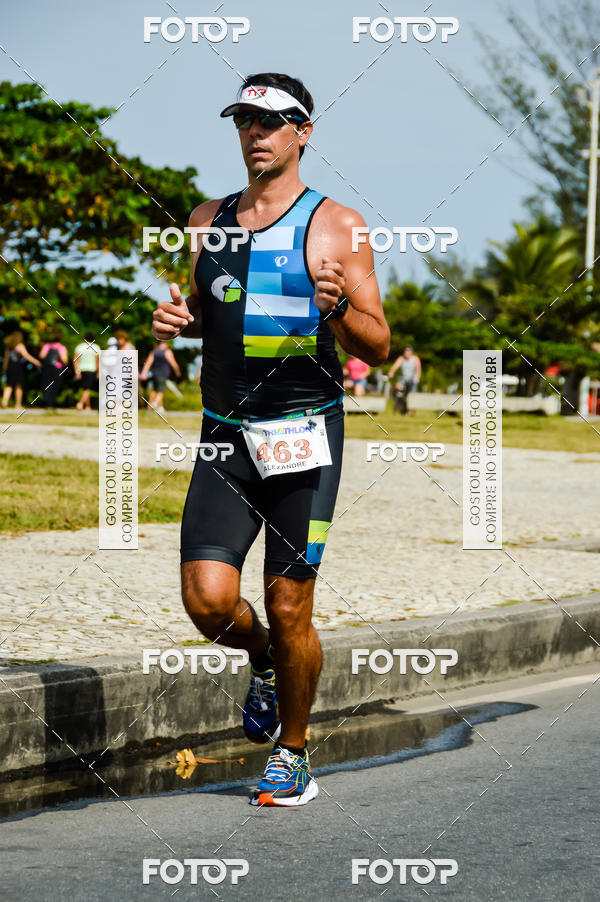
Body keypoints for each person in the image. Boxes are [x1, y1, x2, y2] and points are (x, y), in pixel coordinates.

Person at [151, 72, 390, 807]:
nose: (254, 134)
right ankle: (259, 660)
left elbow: (378, 345)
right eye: (244, 121)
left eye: (270, 122)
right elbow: (206, 308)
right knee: (208, 602)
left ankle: (293, 750)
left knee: (289, 607)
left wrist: (340, 310)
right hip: (225, 434)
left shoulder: (337, 224)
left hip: (303, 435)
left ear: (303, 132)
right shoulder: (203, 219)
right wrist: (180, 322)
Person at [1, 331, 41, 409]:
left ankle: (4, 402)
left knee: (9, 385)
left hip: (9, 367)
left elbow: (6, 359)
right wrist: (37, 362)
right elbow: (27, 356)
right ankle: (18, 404)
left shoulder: (9, 347)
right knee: (18, 386)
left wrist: (4, 369)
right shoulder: (20, 346)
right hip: (17, 367)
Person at [140, 341, 180, 413]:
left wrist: (144, 372)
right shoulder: (167, 351)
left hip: (154, 374)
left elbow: (148, 363)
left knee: (154, 390)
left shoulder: (154, 351)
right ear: (165, 344)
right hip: (163, 374)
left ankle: (150, 408)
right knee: (161, 391)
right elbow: (173, 362)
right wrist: (177, 371)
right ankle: (155, 404)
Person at [388, 345, 421, 414]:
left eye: (408, 352)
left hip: (412, 380)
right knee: (397, 386)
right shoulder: (401, 358)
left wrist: (416, 376)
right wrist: (391, 372)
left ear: (411, 353)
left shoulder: (415, 359)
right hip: (403, 379)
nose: (406, 353)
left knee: (412, 393)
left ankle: (410, 411)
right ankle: (399, 403)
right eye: (405, 351)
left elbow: (418, 369)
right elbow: (395, 366)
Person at [39, 334, 68, 409]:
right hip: (57, 368)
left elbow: (42, 356)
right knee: (55, 385)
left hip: (47, 367)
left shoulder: (47, 346)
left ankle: (45, 399)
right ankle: (50, 403)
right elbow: (64, 359)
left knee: (46, 384)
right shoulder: (61, 347)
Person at [73, 331, 100, 411]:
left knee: (85, 388)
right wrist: (99, 372)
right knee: (87, 389)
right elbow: (97, 362)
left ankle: (88, 407)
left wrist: (76, 371)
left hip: (82, 370)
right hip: (91, 369)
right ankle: (80, 404)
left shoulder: (79, 347)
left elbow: (75, 361)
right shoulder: (96, 347)